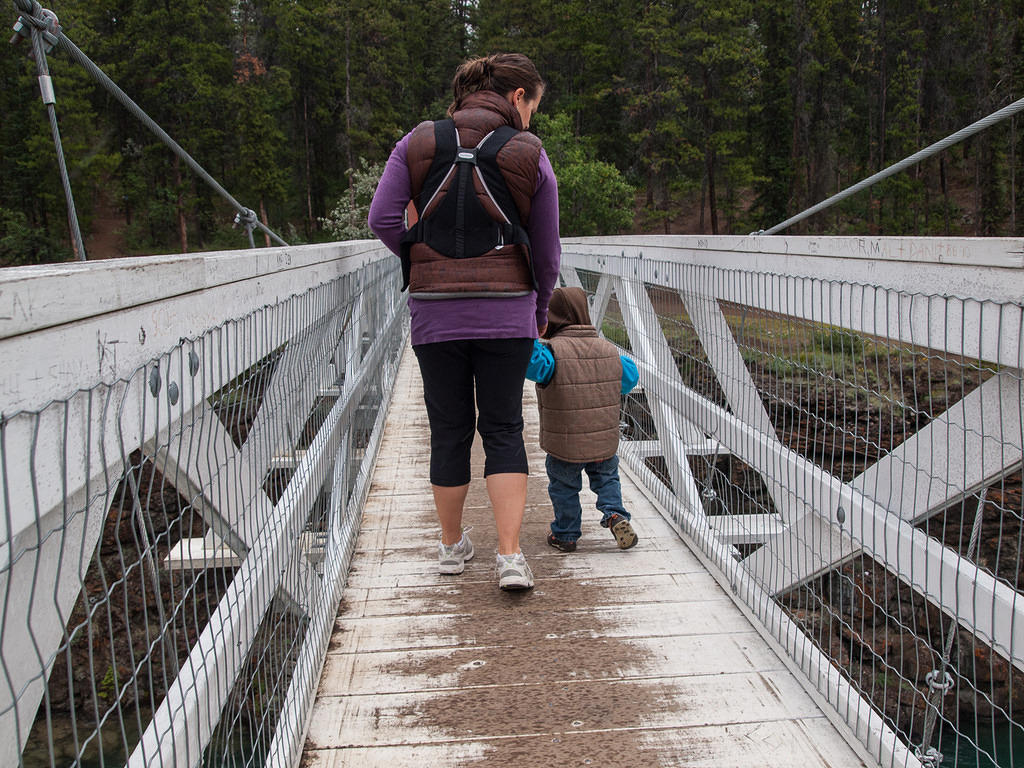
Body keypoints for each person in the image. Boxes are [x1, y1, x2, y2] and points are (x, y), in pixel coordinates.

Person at [368, 53, 560, 591]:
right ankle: (510, 556)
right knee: (503, 429)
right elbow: (547, 254)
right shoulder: (529, 152)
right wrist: (538, 311)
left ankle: (452, 547)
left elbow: (382, 218)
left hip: (435, 314)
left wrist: (420, 257)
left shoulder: (418, 141)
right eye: (534, 106)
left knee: (449, 429)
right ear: (518, 98)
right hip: (507, 317)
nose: (532, 118)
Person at [525, 287, 640, 552]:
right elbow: (629, 378)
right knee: (607, 480)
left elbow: (532, 365)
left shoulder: (553, 353)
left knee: (564, 487)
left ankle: (565, 534)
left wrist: (530, 332)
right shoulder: (609, 351)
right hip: (603, 442)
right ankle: (615, 515)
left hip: (565, 445)